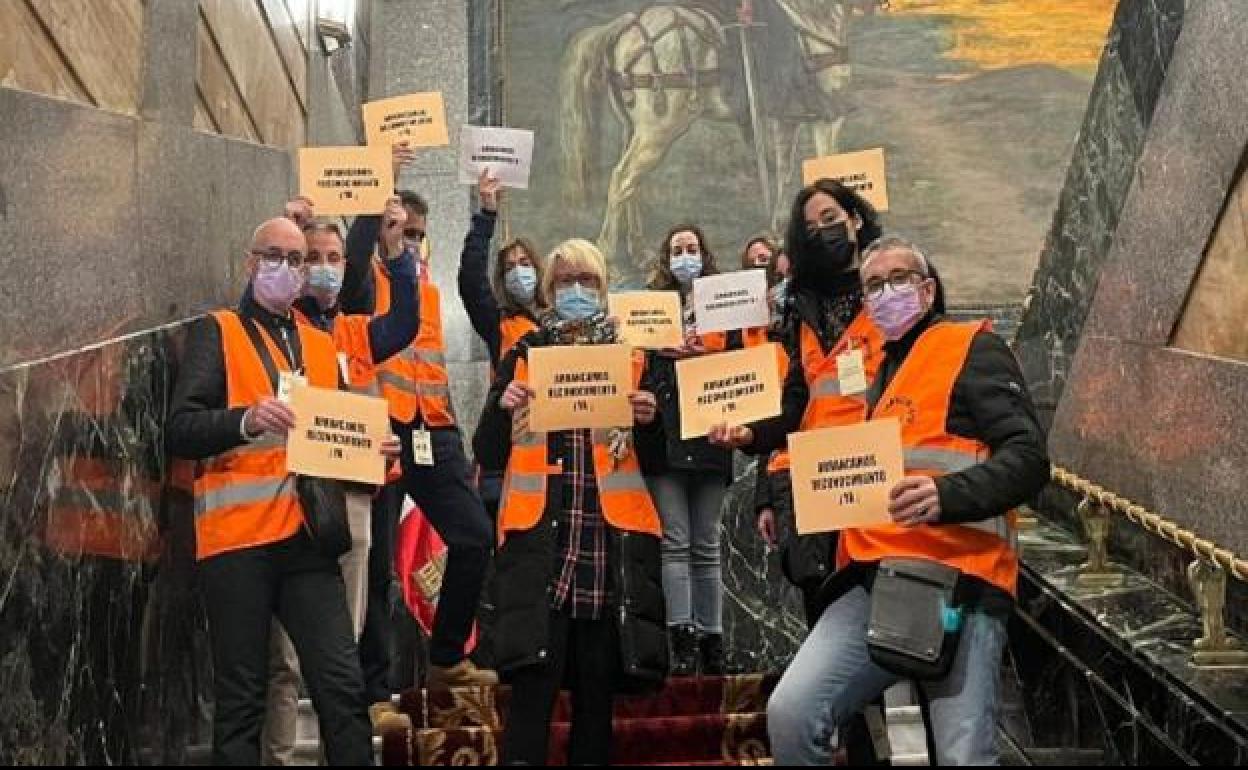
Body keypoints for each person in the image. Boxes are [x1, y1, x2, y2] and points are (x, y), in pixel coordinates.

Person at [718, 235, 1051, 765]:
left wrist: (947, 494)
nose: (884, 293)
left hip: (959, 580)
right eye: (873, 285)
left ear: (927, 289)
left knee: (964, 755)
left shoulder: (971, 345)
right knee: (792, 711)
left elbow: (1029, 458)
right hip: (873, 577)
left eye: (897, 280)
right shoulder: (876, 373)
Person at [167, 217, 387, 765]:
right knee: (242, 699)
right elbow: (180, 430)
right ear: (250, 262)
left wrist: (371, 454)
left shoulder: (318, 344)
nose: (287, 268)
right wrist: (245, 420)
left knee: (341, 685)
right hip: (236, 543)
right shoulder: (216, 331)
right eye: (275, 255)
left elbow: (331, 445)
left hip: (307, 539)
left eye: (298, 259)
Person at [473, 238, 667, 766]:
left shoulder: (632, 359)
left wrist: (650, 422)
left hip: (609, 549)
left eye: (586, 281)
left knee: (595, 708)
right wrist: (501, 407)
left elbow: (659, 458)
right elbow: (487, 451)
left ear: (603, 289)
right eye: (564, 282)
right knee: (531, 703)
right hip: (544, 549)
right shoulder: (526, 353)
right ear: (548, 290)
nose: (575, 291)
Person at [261, 205, 420, 765]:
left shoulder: (354, 330)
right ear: (296, 268)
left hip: (350, 497)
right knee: (280, 660)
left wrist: (397, 251)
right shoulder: (279, 329)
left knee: (342, 653)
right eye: (313, 259)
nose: (325, 269)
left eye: (335, 258)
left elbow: (404, 321)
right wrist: (286, 219)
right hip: (286, 500)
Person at [341, 170, 498, 692]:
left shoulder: (424, 284)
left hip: (434, 429)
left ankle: (447, 657)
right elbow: (359, 250)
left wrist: (484, 215)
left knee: (474, 536)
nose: (407, 240)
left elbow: (472, 282)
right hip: (380, 432)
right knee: (379, 567)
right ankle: (375, 687)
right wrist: (379, 180)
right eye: (399, 229)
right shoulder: (362, 282)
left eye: (415, 233)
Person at [638, 224, 734, 676]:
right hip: (663, 438)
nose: (685, 256)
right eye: (677, 249)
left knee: (707, 543)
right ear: (665, 257)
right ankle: (681, 641)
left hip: (712, 438)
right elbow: (633, 372)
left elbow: (742, 370)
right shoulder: (650, 310)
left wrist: (703, 357)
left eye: (692, 248)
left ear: (705, 253)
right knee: (675, 541)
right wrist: (663, 350)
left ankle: (713, 640)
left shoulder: (724, 306)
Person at [457, 170, 545, 520]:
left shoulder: (557, 323)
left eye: (525, 264)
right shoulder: (500, 324)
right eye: (510, 267)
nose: (519, 272)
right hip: (508, 443)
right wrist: (486, 214)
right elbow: (470, 279)